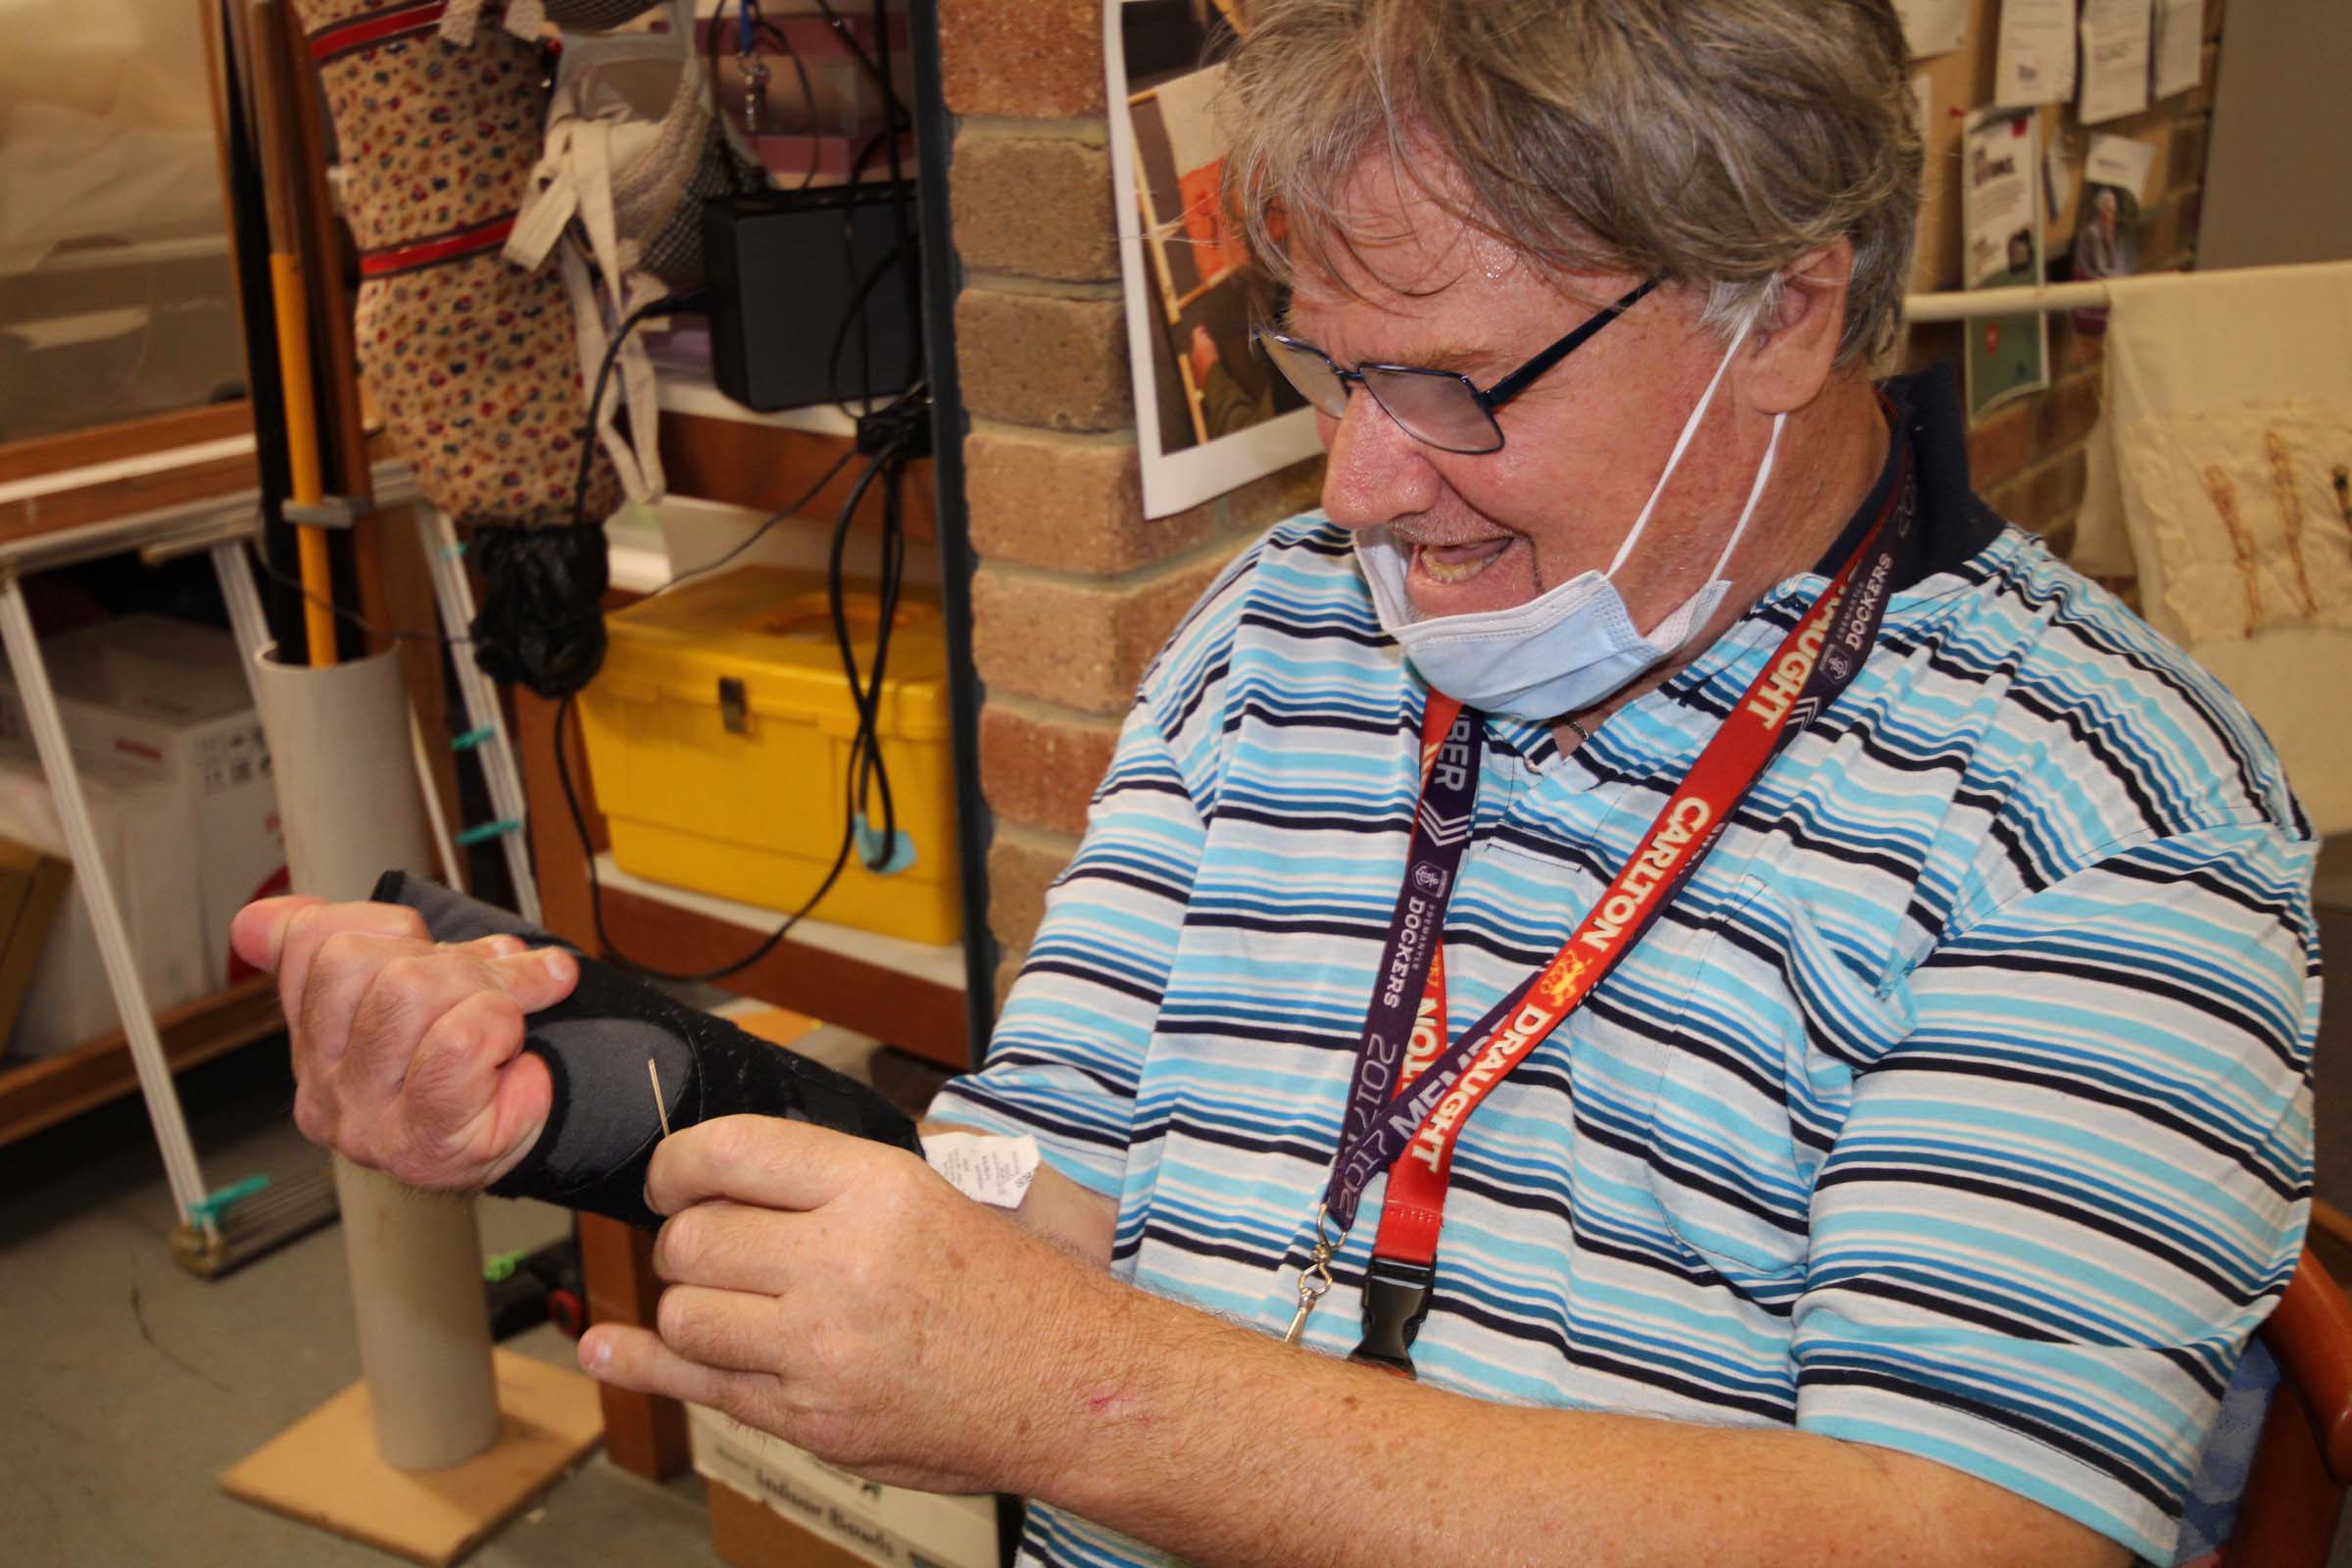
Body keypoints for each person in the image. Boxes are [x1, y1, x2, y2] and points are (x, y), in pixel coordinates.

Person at [230, 3, 2319, 1565]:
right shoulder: (1278, 634)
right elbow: (1026, 1193)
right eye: (1325, 371)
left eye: (1446, 384)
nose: (1362, 487)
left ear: (1780, 309)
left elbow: (1957, 1535)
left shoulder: (2102, 812)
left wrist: (1089, 1398)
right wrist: (600, 1081)